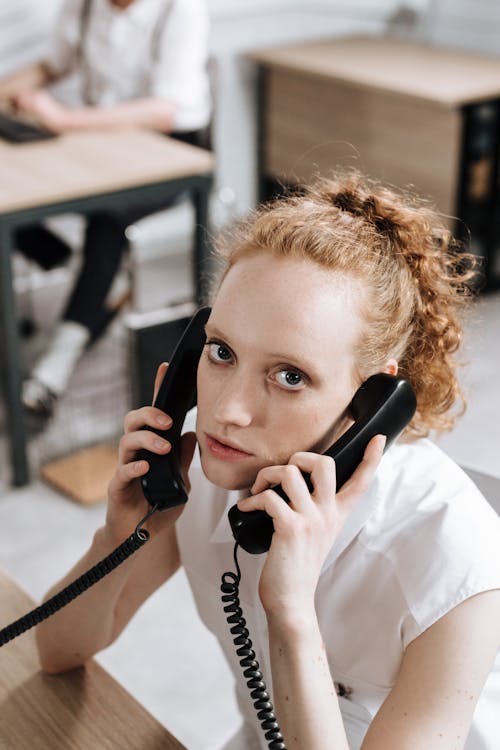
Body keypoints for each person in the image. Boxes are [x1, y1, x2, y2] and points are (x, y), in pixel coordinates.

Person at [34, 171, 500, 750]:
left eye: (290, 376)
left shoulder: (455, 566)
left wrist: (291, 611)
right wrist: (117, 536)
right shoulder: (206, 476)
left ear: (371, 401)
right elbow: (56, 652)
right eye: (221, 352)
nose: (227, 412)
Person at [0, 0, 211, 417]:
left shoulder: (180, 11)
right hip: (100, 142)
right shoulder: (82, 7)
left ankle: (54, 369)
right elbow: (53, 63)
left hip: (169, 152)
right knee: (17, 203)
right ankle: (98, 276)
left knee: (108, 223)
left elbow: (166, 110)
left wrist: (64, 120)